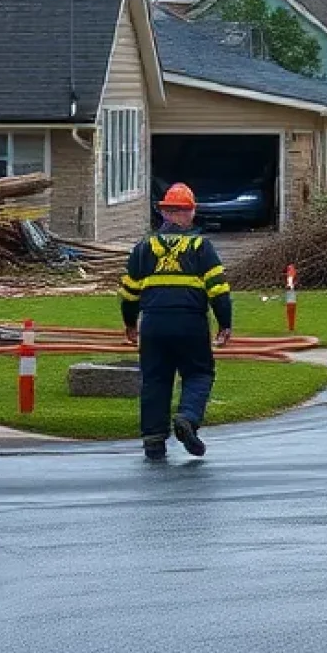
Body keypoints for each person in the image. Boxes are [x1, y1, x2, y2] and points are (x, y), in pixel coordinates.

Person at [119, 182, 233, 461]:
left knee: (155, 380)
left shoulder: (144, 248)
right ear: (189, 213)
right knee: (199, 373)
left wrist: (130, 324)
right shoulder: (200, 247)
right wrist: (225, 323)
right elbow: (218, 290)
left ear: (164, 214)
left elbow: (128, 292)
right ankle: (187, 417)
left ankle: (154, 441)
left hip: (154, 324)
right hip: (190, 323)